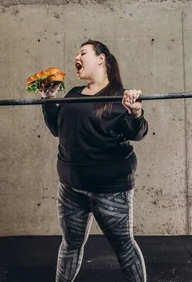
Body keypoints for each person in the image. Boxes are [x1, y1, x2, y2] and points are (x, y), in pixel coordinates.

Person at [39, 40, 148, 282]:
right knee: (70, 244)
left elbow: (136, 133)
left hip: (110, 189)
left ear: (101, 59)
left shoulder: (120, 96)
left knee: (124, 248)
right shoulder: (73, 94)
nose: (76, 57)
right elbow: (58, 128)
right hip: (71, 187)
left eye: (83, 53)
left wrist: (136, 113)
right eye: (76, 53)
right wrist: (48, 100)